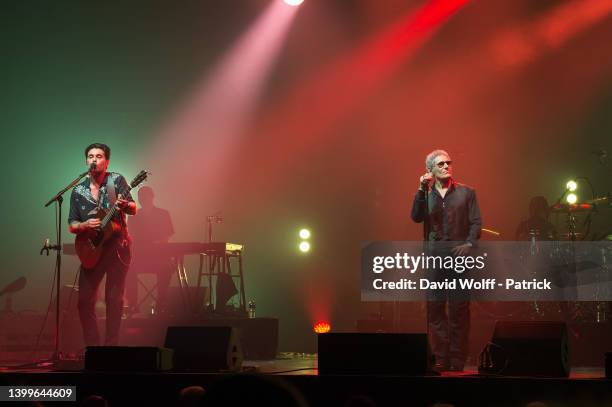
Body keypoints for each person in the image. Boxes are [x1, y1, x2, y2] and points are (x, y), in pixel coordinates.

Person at [411, 149, 482, 371]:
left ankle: (458, 358)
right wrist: (421, 189)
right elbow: (416, 217)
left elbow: (476, 222)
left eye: (448, 163)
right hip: (435, 258)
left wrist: (469, 244)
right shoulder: (427, 195)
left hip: (459, 258)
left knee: (459, 309)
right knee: (435, 308)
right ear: (430, 170)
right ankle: (440, 357)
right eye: (440, 164)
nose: (446, 166)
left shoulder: (467, 193)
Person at [68, 143, 137, 346]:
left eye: (99, 156)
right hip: (91, 250)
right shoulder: (78, 190)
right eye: (90, 156)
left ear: (107, 162)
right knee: (83, 303)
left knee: (114, 301)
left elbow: (133, 208)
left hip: (117, 249)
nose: (94, 160)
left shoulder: (116, 180)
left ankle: (110, 349)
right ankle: (93, 348)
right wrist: (84, 224)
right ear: (86, 161)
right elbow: (72, 224)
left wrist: (125, 205)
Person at [125, 186, 174, 315]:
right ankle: (133, 304)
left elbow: (166, 237)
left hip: (159, 258)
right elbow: (130, 238)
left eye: (145, 196)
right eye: (141, 196)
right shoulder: (133, 216)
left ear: (152, 197)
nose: (142, 199)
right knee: (127, 268)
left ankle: (161, 303)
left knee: (166, 269)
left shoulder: (163, 214)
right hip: (140, 258)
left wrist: (157, 244)